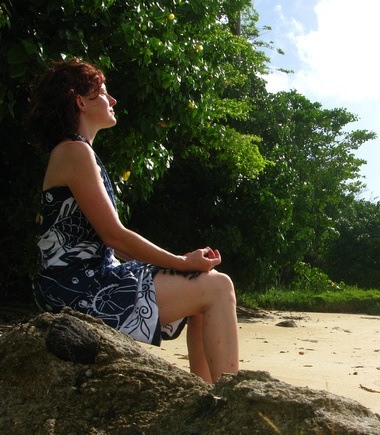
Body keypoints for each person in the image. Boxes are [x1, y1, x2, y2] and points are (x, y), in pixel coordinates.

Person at [28, 58, 238, 383]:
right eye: (102, 93)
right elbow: (115, 237)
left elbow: (114, 246)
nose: (112, 101)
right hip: (75, 287)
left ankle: (211, 397)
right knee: (217, 286)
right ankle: (230, 402)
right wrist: (182, 262)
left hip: (87, 278)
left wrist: (187, 266)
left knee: (205, 284)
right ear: (79, 101)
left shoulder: (80, 153)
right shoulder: (74, 152)